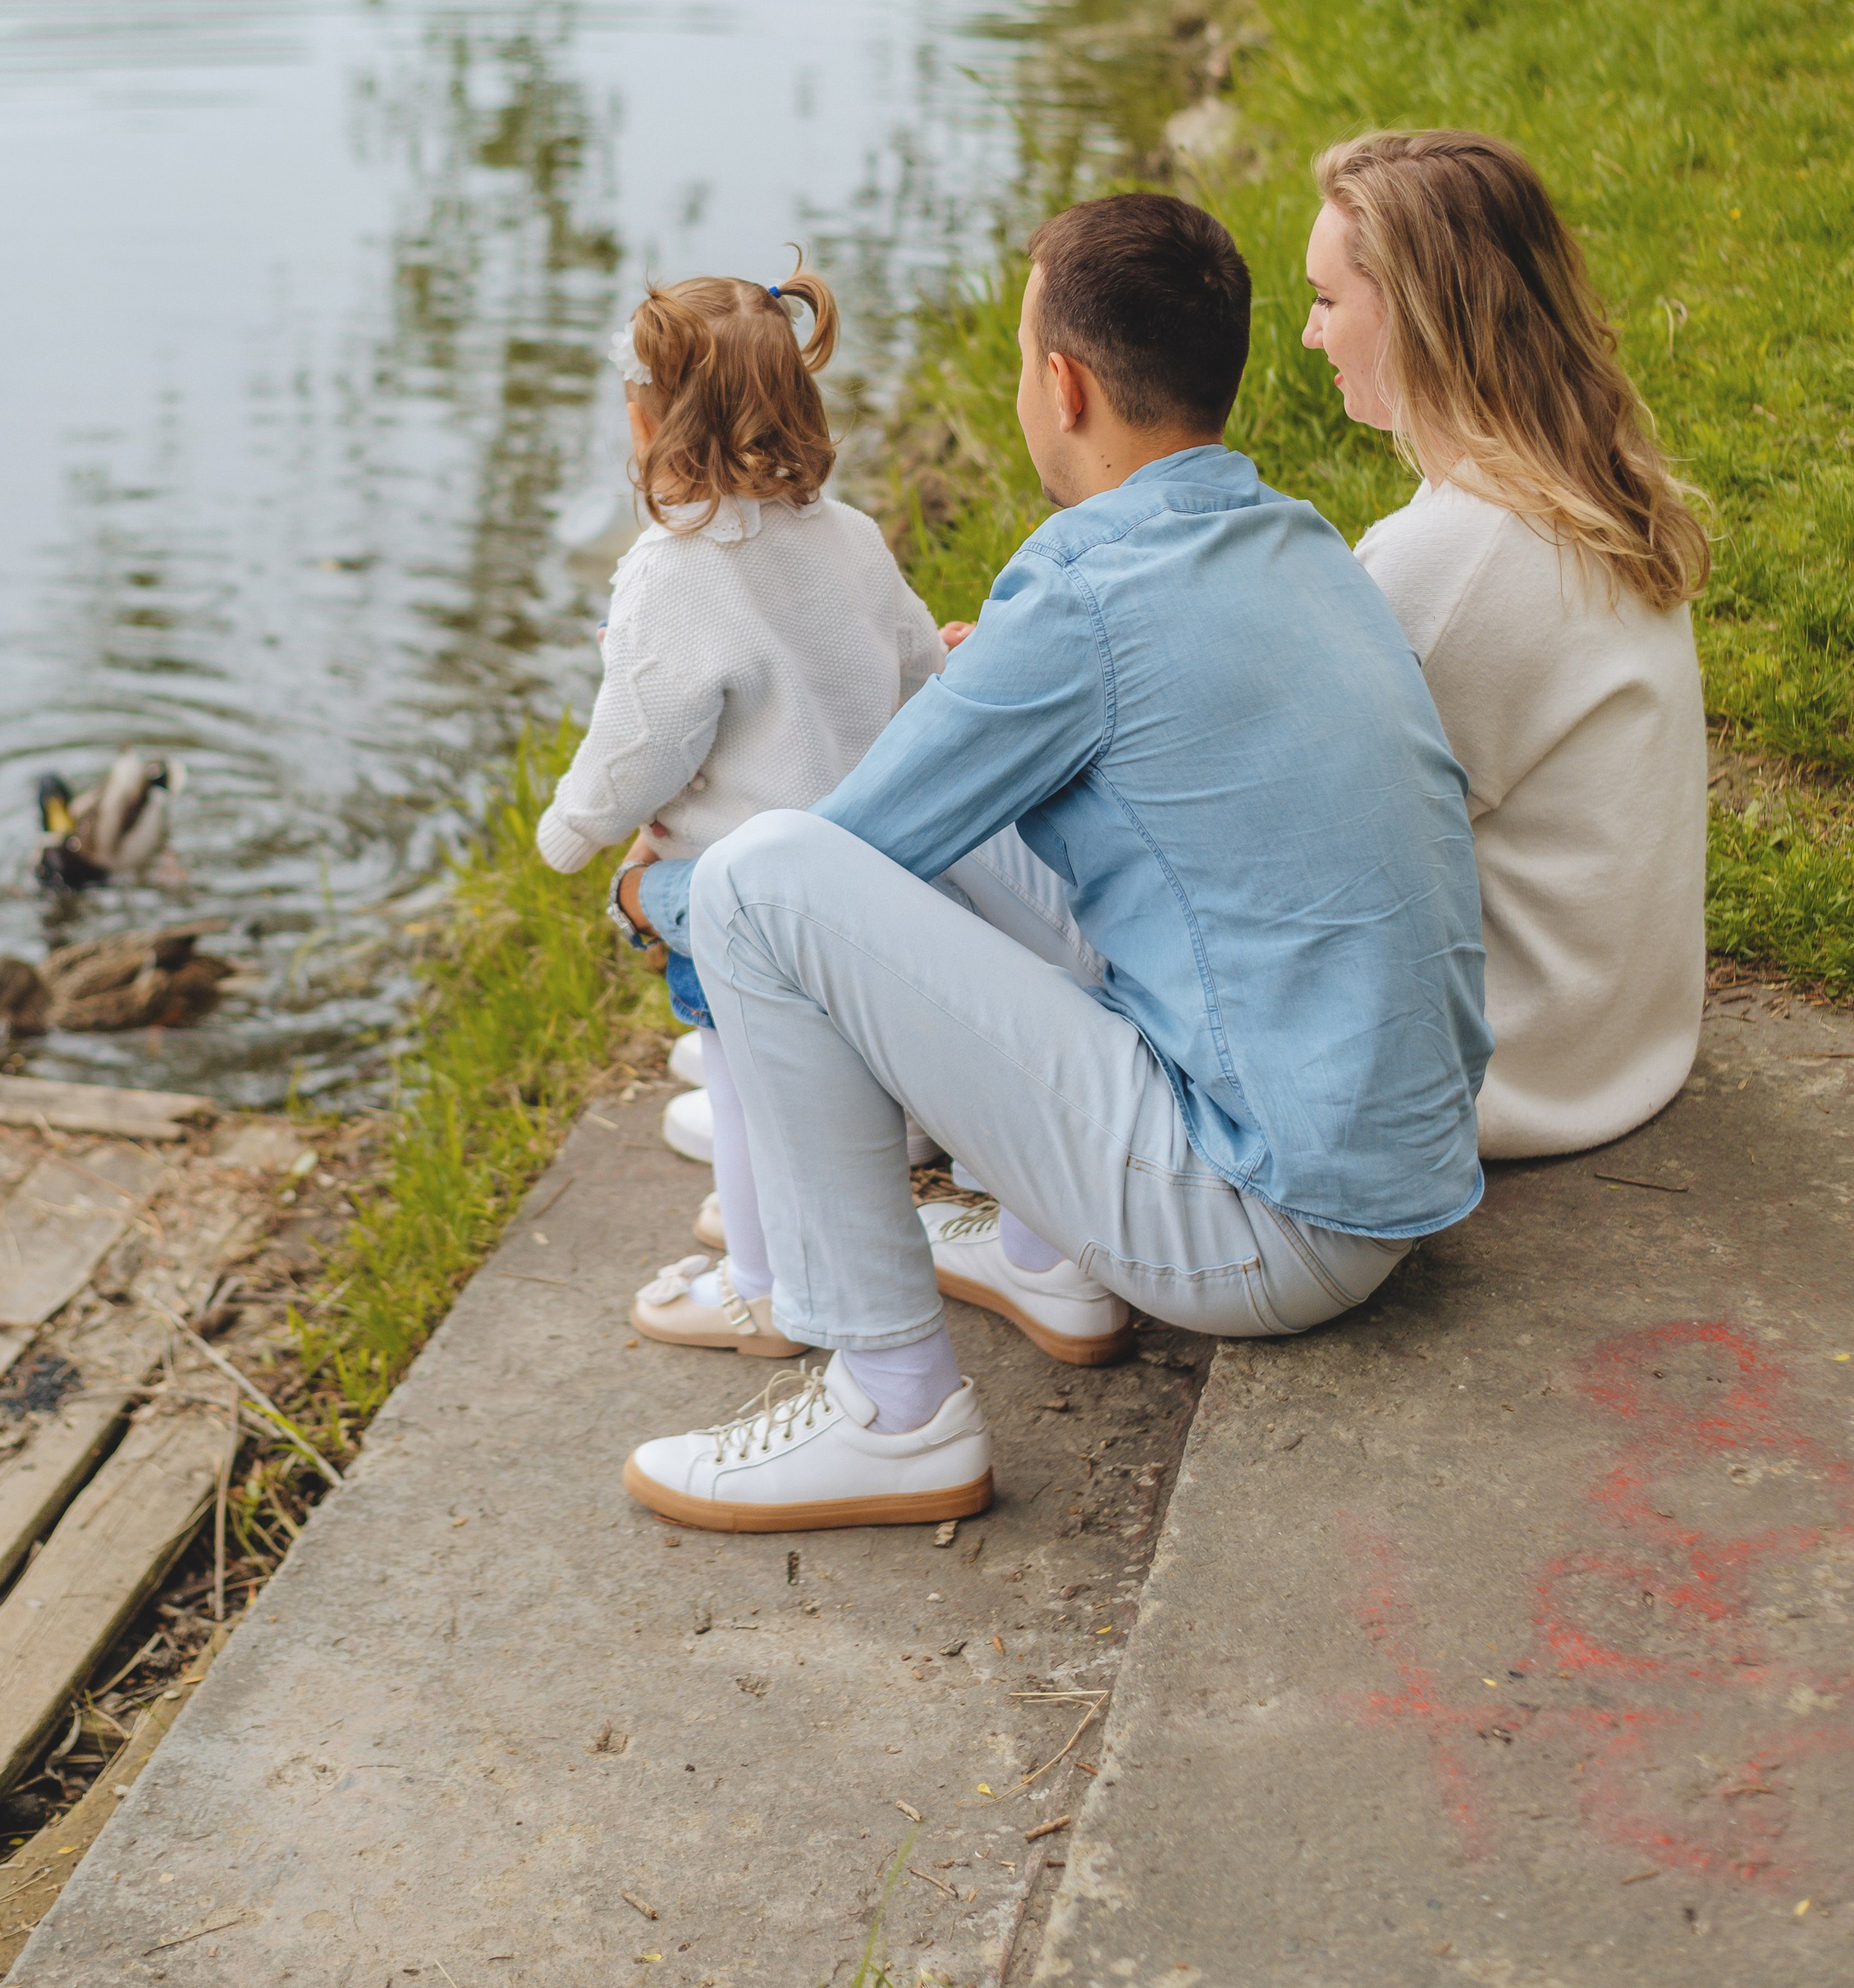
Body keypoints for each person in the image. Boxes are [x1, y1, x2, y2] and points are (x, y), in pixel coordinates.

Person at [614, 191, 1491, 1533]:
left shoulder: (1084, 596)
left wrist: (645, 896)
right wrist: (986, 707)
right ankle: (1045, 1257)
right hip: (1386, 1172)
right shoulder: (1291, 539)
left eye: (1025, 358)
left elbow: (820, 872)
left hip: (1266, 1223)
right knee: (955, 799)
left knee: (754, 881)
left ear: (1063, 386)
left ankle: (892, 1414)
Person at [535, 268, 946, 1358]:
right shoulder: (849, 535)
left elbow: (641, 740)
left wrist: (572, 831)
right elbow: (914, 671)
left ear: (646, 416)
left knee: (749, 1082)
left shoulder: (672, 574)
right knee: (834, 1058)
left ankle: (760, 1287)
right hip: (873, 871)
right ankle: (876, 1162)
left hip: (747, 899)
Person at [1302, 129, 1709, 1160]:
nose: (1310, 336)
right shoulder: (1585, 483)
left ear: (1411, 312)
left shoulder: (1460, 554)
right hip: (1622, 1043)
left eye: (1325, 300)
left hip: (1506, 1074)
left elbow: (1287, 833)